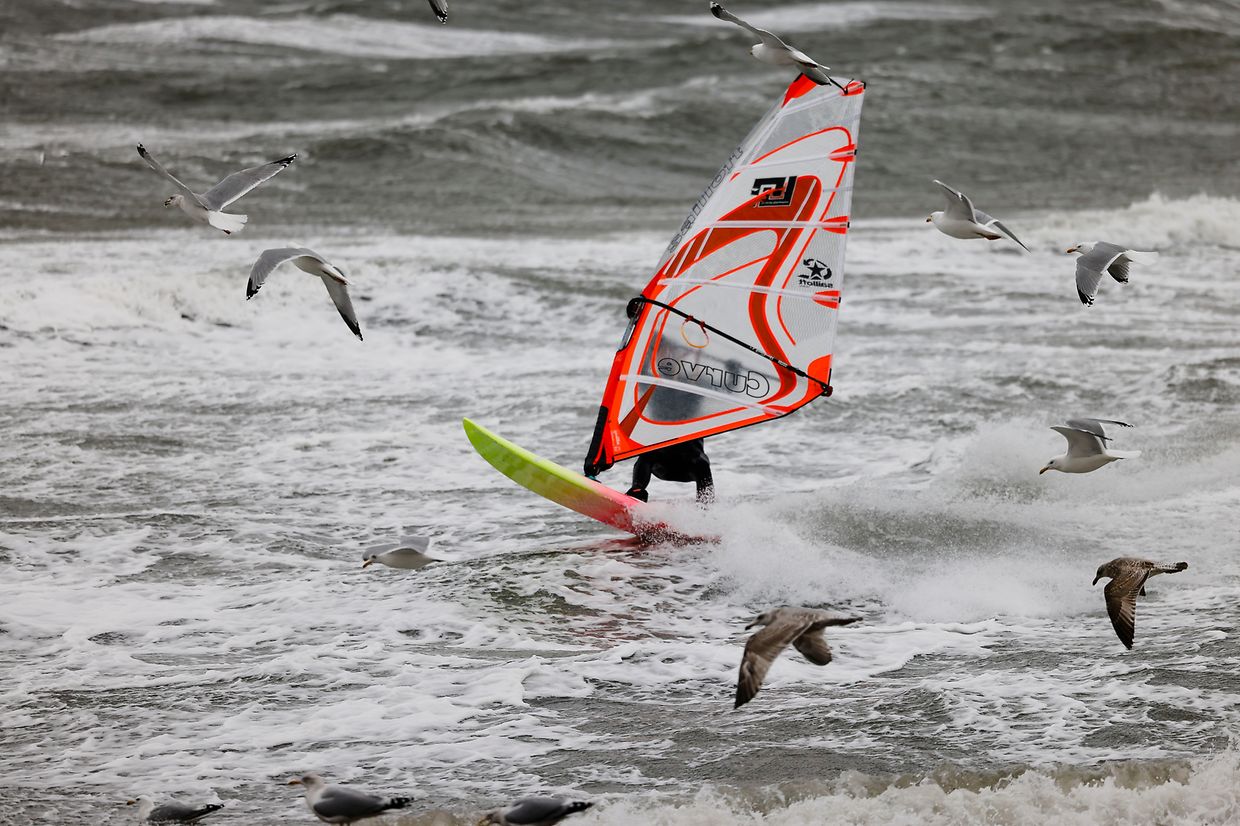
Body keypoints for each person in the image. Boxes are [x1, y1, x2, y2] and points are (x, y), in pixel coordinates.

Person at [625, 438, 714, 505]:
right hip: (662, 466)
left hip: (688, 467)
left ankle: (705, 507)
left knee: (702, 463)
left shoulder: (694, 416)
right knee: (647, 454)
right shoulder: (658, 417)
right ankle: (637, 491)